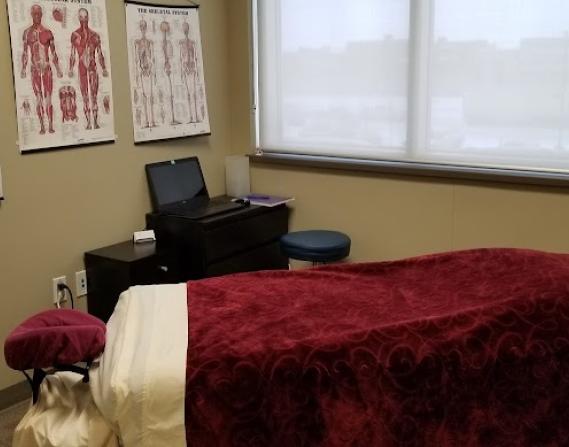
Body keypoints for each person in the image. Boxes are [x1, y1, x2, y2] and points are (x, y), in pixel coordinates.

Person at [21, 4, 63, 134]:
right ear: (31, 15)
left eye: (39, 13)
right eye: (34, 14)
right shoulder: (27, 33)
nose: (37, 16)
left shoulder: (48, 33)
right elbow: (25, 53)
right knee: (38, 98)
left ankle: (50, 125)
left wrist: (58, 69)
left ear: (42, 14)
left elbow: (53, 53)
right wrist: (23, 68)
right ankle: (42, 126)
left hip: (46, 69)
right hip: (35, 69)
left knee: (48, 98)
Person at [68, 8, 109, 130]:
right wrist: (70, 69)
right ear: (78, 18)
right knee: (85, 97)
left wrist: (104, 68)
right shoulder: (74, 35)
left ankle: (95, 122)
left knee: (94, 96)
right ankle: (88, 123)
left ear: (88, 18)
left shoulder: (95, 36)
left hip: (92, 69)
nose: (83, 20)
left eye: (85, 17)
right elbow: (72, 54)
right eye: (81, 17)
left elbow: (100, 54)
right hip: (82, 70)